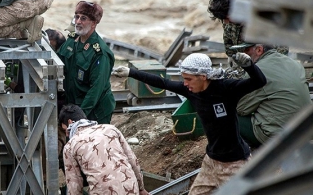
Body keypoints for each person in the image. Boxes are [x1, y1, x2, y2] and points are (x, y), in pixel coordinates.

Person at [112, 52, 267, 195]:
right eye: (183, 78)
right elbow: (162, 82)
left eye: (188, 79)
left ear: (203, 76)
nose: (185, 83)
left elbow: (259, 81)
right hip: (211, 161)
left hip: (234, 164)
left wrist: (249, 66)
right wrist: (131, 72)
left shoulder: (225, 88)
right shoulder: (190, 91)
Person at [230, 42, 312, 148]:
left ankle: (247, 155)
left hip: (280, 136)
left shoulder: (257, 71)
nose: (243, 53)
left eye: (246, 50)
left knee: (227, 115)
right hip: (306, 131)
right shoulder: (294, 63)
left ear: (259, 50)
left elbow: (240, 108)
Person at [59, 104, 150, 195]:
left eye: (65, 129)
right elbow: (132, 160)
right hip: (130, 188)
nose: (67, 135)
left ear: (70, 122)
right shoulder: (111, 129)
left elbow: (74, 184)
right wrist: (141, 188)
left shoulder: (70, 146)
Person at [207, 0, 289, 78]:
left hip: (268, 67)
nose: (226, 22)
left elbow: (280, 48)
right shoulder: (229, 19)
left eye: (227, 18)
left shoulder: (261, 17)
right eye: (223, 19)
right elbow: (228, 38)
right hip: (244, 64)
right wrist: (231, 56)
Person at [57, 1, 116, 124]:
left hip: (94, 111)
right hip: (74, 104)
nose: (78, 22)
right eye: (77, 17)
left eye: (83, 18)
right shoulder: (73, 40)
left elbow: (96, 89)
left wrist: (79, 117)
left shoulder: (100, 53)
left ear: (94, 23)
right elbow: (58, 61)